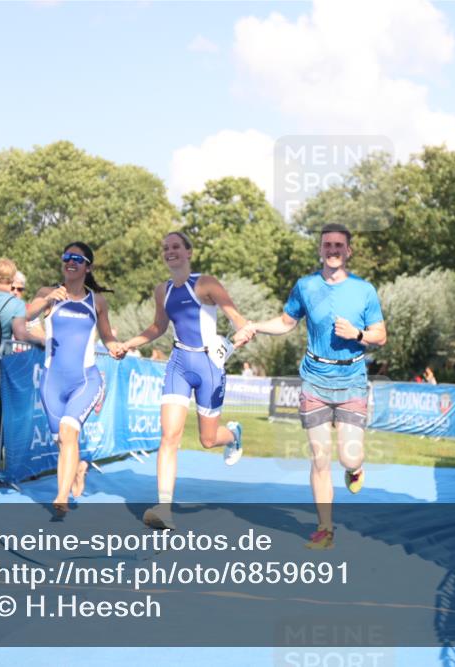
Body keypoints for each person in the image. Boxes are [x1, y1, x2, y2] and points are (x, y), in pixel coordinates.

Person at [236, 223, 386, 550]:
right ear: (320, 250)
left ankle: (355, 470)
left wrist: (357, 335)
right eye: (327, 245)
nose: (332, 250)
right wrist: (255, 327)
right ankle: (325, 529)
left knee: (348, 457)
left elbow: (381, 336)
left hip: (351, 382)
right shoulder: (305, 286)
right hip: (315, 380)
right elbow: (286, 323)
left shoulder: (364, 290)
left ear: (348, 251)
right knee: (320, 458)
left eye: (338, 246)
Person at [120, 231, 250, 530]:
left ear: (189, 252)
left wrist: (238, 335)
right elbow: (157, 327)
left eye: (176, 247)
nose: (170, 252)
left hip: (209, 366)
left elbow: (238, 320)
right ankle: (165, 508)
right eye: (165, 248)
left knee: (208, 440)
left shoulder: (206, 283)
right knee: (169, 436)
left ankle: (233, 435)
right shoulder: (162, 290)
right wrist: (129, 344)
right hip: (178, 364)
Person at [27, 242, 124, 514]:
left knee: (69, 433)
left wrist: (115, 347)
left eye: (77, 259)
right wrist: (47, 301)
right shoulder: (49, 293)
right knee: (62, 440)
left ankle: (61, 497)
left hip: (85, 380)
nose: (70, 262)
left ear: (87, 267)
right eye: (66, 257)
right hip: (51, 382)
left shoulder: (97, 301)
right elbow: (23, 316)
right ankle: (78, 468)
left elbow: (107, 337)